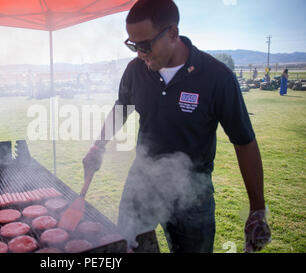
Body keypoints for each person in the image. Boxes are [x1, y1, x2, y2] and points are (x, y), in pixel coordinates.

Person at [82, 0, 270, 253]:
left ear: (172, 33)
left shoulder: (217, 76)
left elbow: (244, 142)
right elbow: (121, 108)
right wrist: (98, 145)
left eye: (145, 45)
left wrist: (257, 209)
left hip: (192, 195)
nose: (140, 53)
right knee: (126, 248)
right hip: (141, 184)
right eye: (133, 45)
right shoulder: (136, 70)